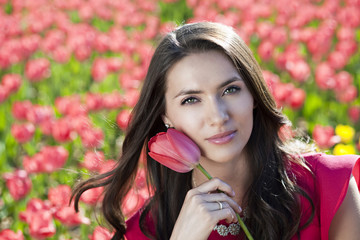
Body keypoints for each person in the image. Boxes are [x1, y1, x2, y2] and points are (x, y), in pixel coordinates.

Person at [72, 22, 360, 240]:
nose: (218, 116)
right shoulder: (144, 231)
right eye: (191, 99)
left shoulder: (328, 187)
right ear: (166, 117)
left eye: (230, 90)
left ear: (254, 97)